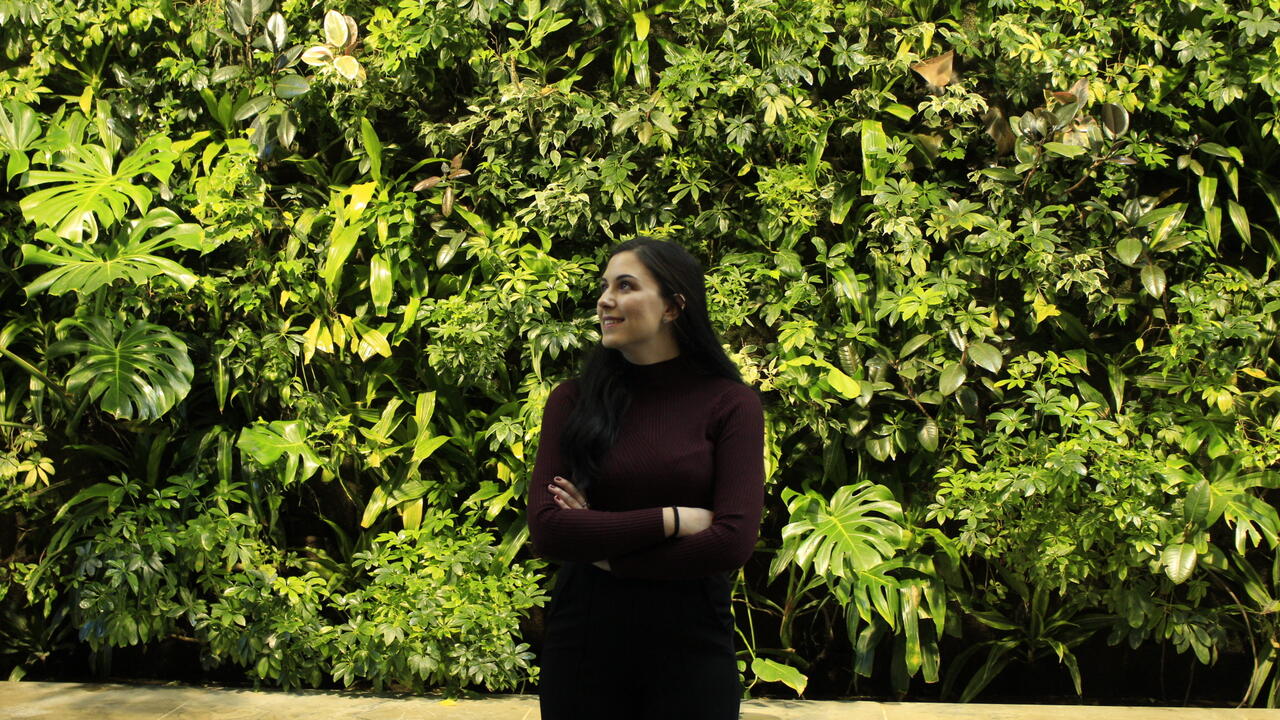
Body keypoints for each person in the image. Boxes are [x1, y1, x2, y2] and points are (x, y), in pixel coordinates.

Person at [526, 237, 765, 719]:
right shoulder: (572, 402)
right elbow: (549, 529)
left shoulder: (731, 404)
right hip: (585, 643)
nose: (605, 299)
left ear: (674, 306)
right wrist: (674, 519)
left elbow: (732, 541)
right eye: (604, 286)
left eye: (626, 285)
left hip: (691, 645)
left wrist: (607, 551)